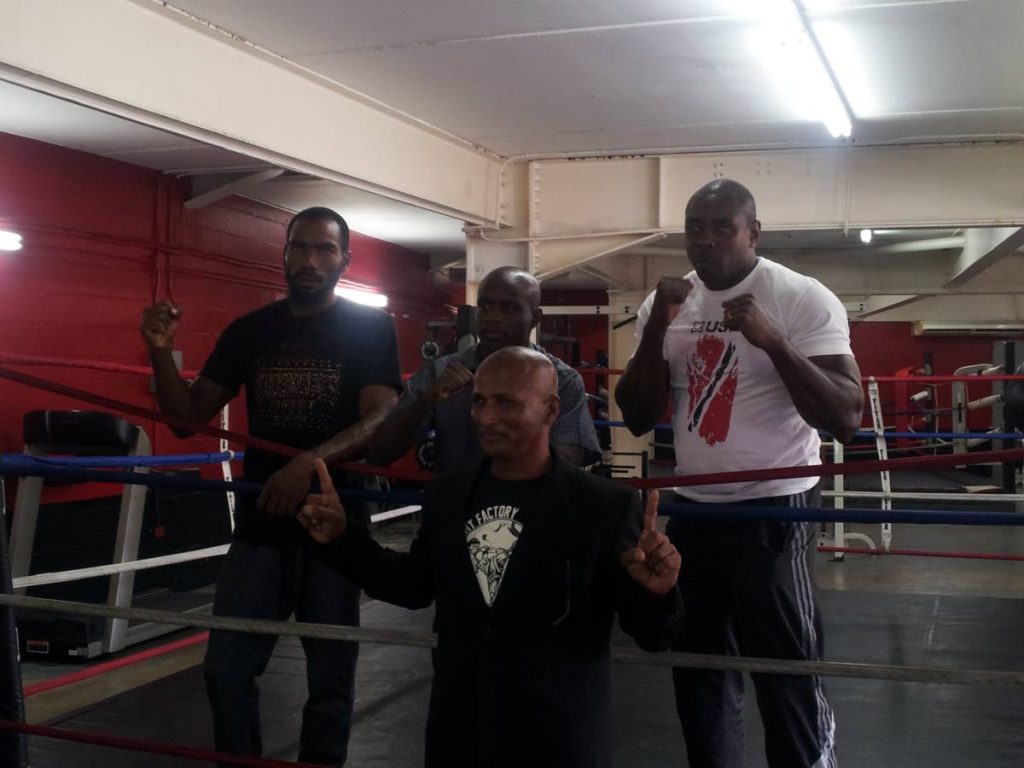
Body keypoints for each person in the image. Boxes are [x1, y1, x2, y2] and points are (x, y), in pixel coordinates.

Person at [299, 346, 683, 768]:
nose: (486, 416)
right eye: (479, 400)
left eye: (506, 402)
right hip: (463, 732)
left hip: (555, 737)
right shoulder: (448, 495)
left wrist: (657, 593)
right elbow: (412, 585)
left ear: (551, 410)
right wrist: (341, 539)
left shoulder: (604, 507)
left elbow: (652, 635)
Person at [140, 207, 402, 766]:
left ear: (344, 260)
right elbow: (187, 415)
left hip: (334, 522)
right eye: (299, 248)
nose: (309, 261)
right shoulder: (250, 331)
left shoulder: (369, 327)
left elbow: (380, 423)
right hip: (263, 522)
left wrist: (307, 462)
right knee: (226, 668)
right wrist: (160, 351)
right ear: (283, 253)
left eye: (324, 250)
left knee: (330, 677)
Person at [615, 179, 863, 768]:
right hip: (696, 511)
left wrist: (775, 343)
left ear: (754, 232)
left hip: (774, 508)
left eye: (723, 227)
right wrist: (655, 328)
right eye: (695, 227)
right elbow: (638, 415)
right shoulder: (667, 304)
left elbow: (847, 417)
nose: (706, 241)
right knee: (700, 670)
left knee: (788, 673)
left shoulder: (800, 297)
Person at [366, 266, 601, 472]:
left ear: (535, 318)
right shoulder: (439, 374)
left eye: (508, 309)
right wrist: (427, 400)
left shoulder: (562, 380)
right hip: (456, 511)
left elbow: (566, 464)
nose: (493, 317)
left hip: (532, 514)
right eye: (485, 306)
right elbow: (380, 453)